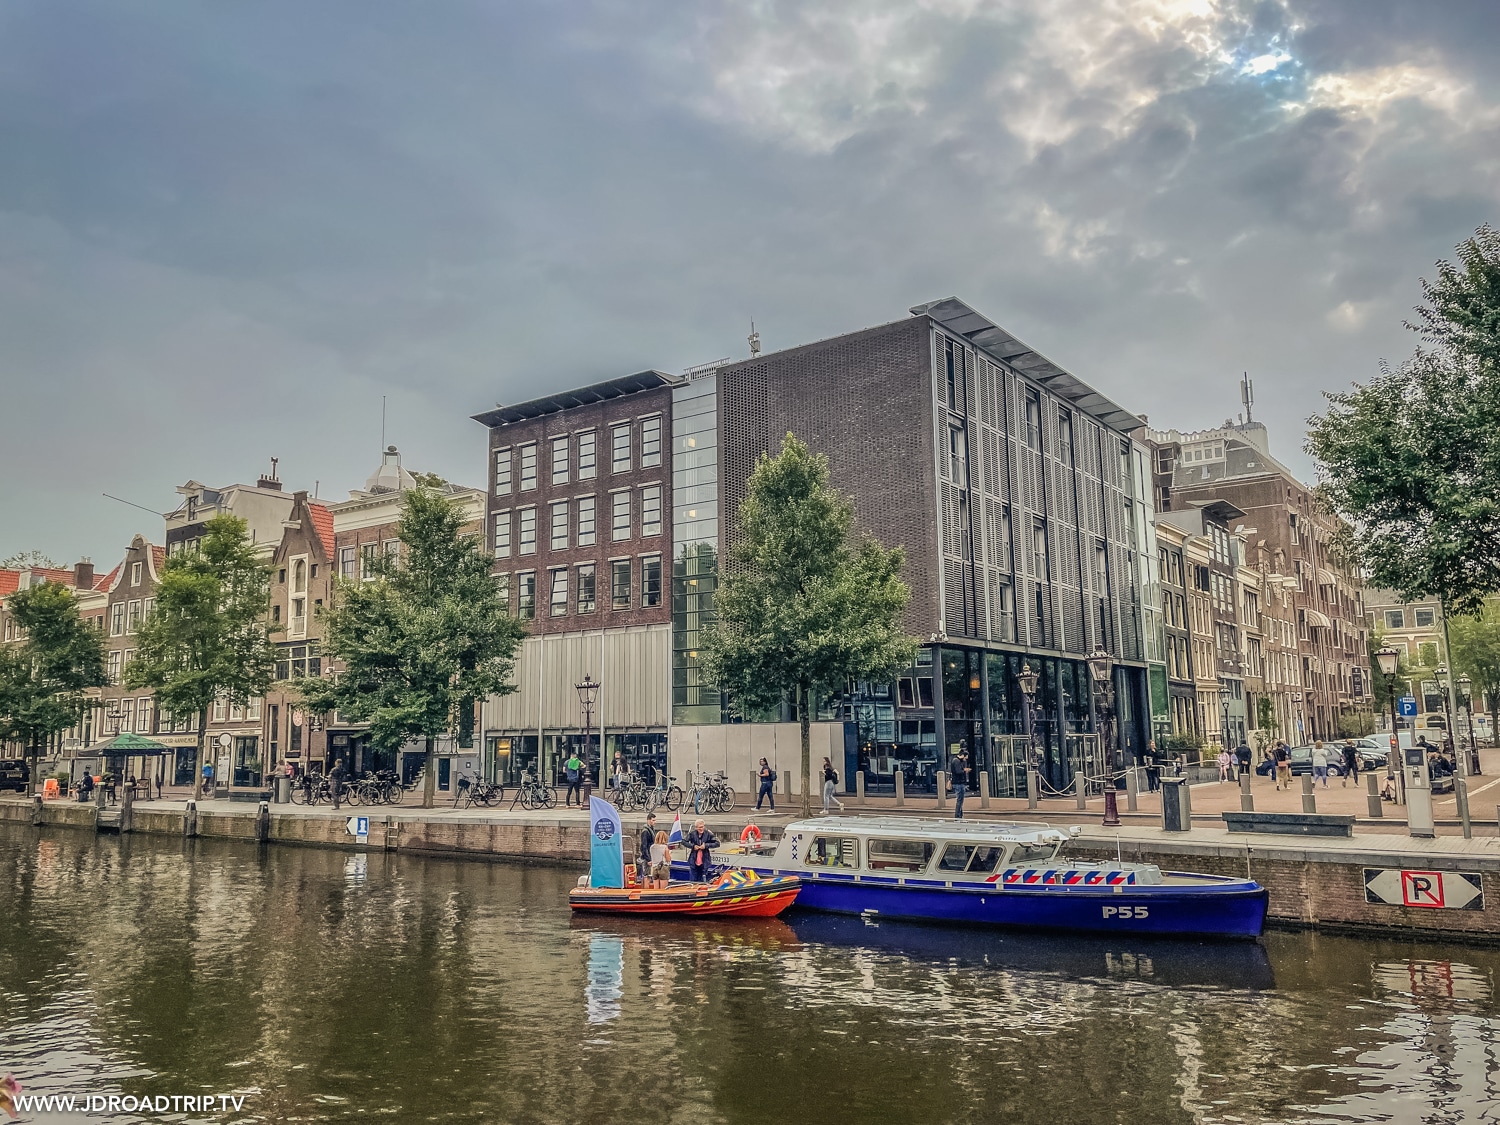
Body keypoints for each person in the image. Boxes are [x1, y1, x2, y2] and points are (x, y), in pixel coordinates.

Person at [637, 812, 658, 883]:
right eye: (653, 820)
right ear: (648, 820)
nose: (654, 822)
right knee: (647, 874)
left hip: (651, 854)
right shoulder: (645, 832)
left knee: (649, 874)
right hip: (647, 856)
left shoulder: (651, 829)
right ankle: (646, 886)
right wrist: (648, 859)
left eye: (655, 820)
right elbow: (644, 846)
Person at [950, 749, 969, 819]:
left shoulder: (958, 761)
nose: (965, 760)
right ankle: (957, 816)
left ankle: (960, 815)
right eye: (965, 758)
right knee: (960, 800)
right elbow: (958, 771)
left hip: (959, 782)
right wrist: (964, 770)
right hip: (958, 783)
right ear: (963, 756)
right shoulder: (956, 761)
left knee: (960, 800)